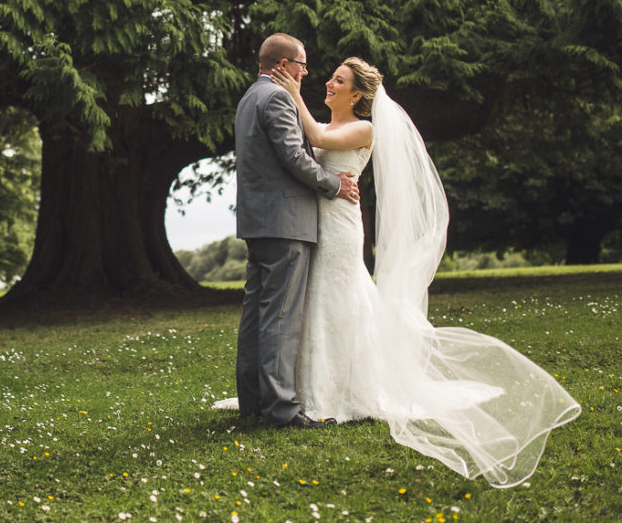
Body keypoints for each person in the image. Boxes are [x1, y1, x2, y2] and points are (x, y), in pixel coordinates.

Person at [264, 56, 581, 488]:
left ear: (357, 94)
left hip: (340, 227)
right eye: (331, 78)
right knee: (321, 297)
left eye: (339, 80)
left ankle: (337, 390)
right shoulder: (324, 121)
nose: (329, 83)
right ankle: (305, 386)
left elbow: (316, 137)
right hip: (320, 223)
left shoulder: (363, 129)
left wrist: (293, 93)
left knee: (337, 296)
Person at [232, 33, 360, 429]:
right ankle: (281, 411)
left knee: (256, 314)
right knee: (280, 318)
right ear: (284, 65)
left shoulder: (250, 97)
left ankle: (254, 402)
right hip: (285, 222)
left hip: (259, 221)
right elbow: (293, 155)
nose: (307, 72)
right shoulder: (278, 98)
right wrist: (334, 184)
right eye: (302, 64)